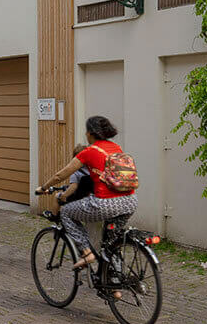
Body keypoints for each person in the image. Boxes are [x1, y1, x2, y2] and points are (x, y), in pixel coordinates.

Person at [36, 115, 137, 270]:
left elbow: (61, 175)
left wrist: (43, 188)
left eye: (86, 131)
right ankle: (114, 285)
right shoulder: (116, 148)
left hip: (105, 203)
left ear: (90, 133)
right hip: (129, 201)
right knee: (111, 243)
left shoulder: (89, 151)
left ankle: (86, 252)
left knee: (66, 213)